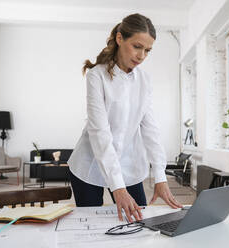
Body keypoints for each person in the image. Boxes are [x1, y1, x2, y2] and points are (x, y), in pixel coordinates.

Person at [68, 13, 182, 223]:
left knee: (139, 223)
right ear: (120, 39)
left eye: (147, 50)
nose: (141, 56)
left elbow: (150, 130)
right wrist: (117, 188)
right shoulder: (97, 76)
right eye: (137, 46)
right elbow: (100, 133)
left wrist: (160, 177)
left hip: (129, 166)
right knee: (89, 227)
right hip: (89, 164)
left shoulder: (144, 81)